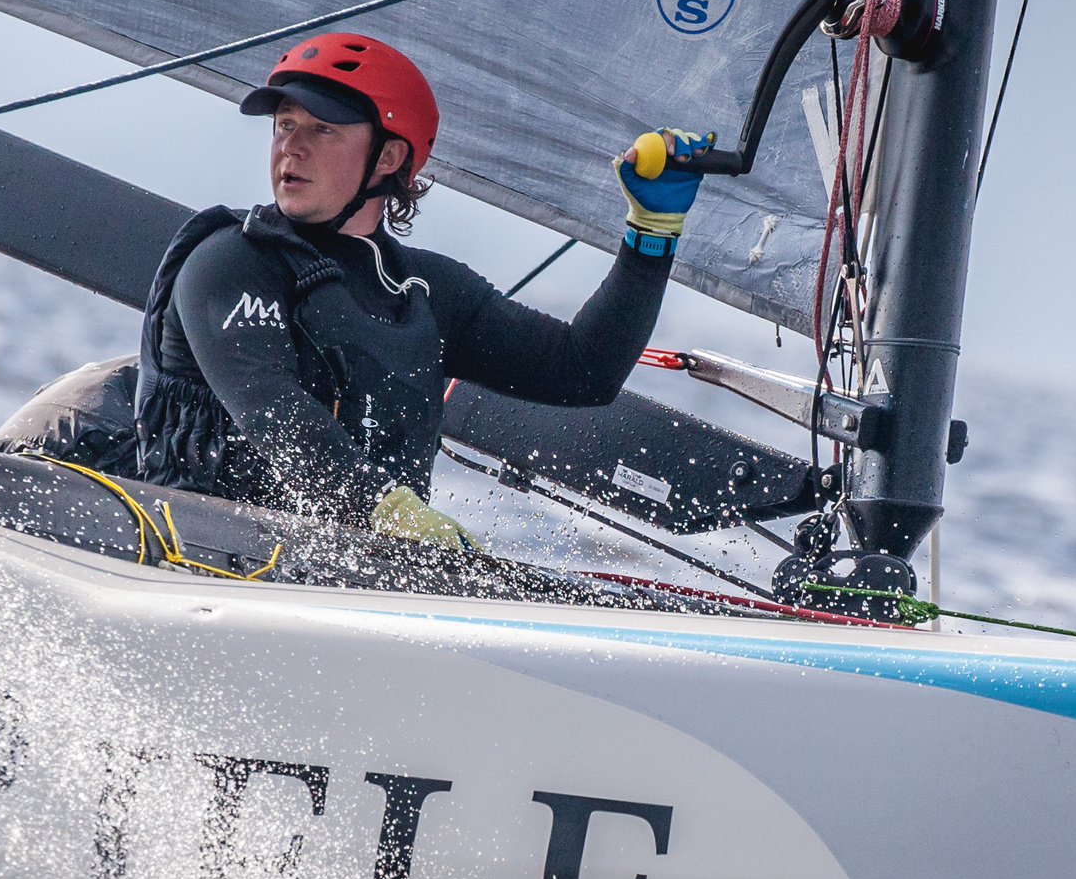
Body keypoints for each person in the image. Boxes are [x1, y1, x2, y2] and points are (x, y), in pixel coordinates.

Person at [125, 32, 706, 549]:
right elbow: (276, 414)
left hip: (356, 579)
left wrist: (650, 236)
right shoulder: (229, 261)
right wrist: (388, 512)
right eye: (285, 125)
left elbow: (583, 371)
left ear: (391, 156)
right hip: (204, 560)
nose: (292, 147)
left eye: (322, 129)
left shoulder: (426, 290)